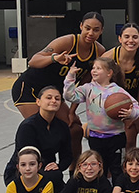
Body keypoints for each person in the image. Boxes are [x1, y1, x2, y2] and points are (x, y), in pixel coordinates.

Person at [11, 12, 105, 162]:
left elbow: (84, 87)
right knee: (41, 129)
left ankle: (75, 171)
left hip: (54, 94)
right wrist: (54, 58)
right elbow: (34, 61)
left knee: (74, 129)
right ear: (81, 26)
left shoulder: (99, 52)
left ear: (101, 31)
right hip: (30, 89)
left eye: (96, 29)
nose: (90, 33)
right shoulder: (67, 42)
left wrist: (72, 112)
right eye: (87, 28)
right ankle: (30, 169)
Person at [64, 58, 139, 179]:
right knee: (99, 169)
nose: (94, 70)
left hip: (116, 137)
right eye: (93, 68)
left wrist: (130, 113)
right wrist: (70, 76)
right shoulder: (88, 88)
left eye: (98, 68)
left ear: (109, 73)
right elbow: (70, 96)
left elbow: (135, 107)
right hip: (95, 136)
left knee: (117, 169)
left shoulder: (117, 91)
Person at [2, 85, 72, 192]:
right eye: (49, 98)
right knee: (54, 178)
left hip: (49, 170)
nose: (53, 101)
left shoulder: (62, 127)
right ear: (38, 102)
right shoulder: (28, 127)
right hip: (24, 170)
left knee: (64, 188)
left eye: (57, 99)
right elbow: (27, 158)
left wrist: (58, 166)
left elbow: (67, 155)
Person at [100, 22, 139, 149]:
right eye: (127, 37)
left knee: (129, 144)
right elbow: (99, 88)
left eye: (135, 37)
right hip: (108, 104)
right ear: (120, 39)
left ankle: (128, 168)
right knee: (108, 145)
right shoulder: (108, 58)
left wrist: (136, 113)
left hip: (130, 105)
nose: (131, 40)